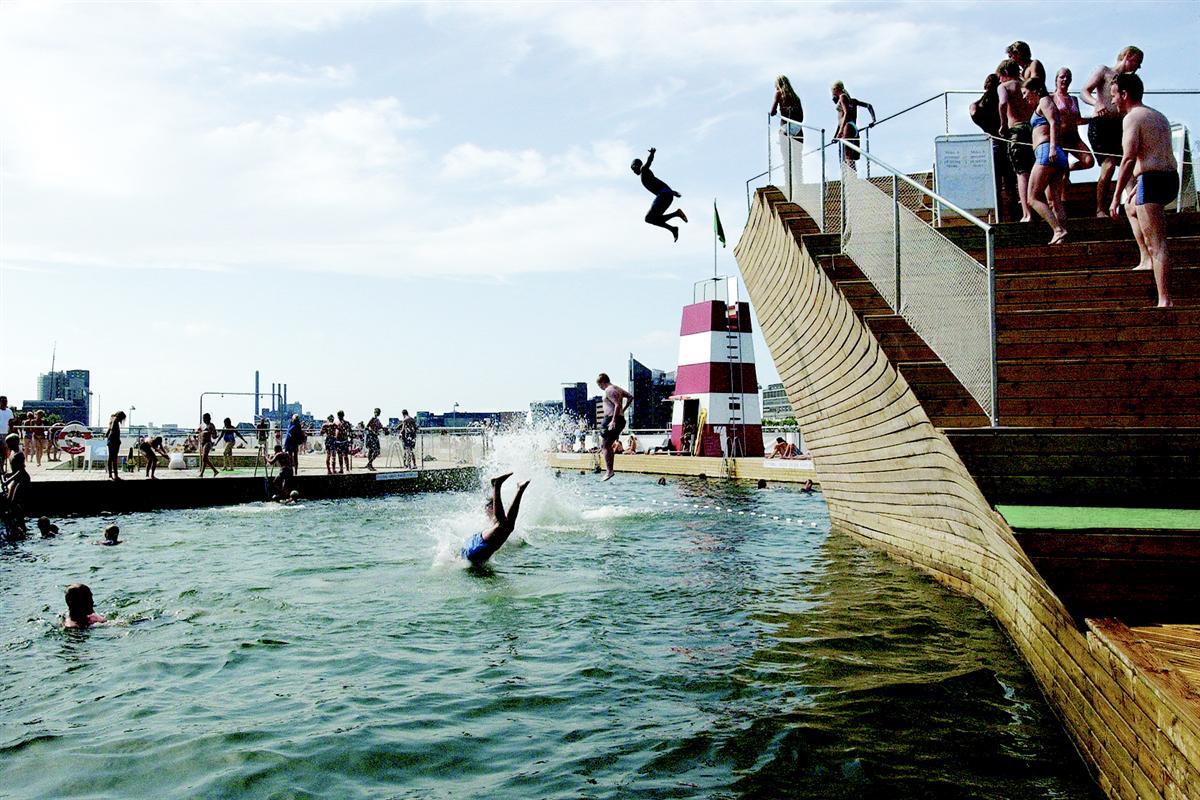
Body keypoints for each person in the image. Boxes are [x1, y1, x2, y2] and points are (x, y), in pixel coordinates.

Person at [1109, 73, 1179, 308]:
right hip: (1168, 178)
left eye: (1114, 95)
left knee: (1158, 244)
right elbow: (1157, 153)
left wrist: (1116, 196)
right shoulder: (1158, 116)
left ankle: (1165, 300)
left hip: (1153, 181)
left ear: (1124, 94)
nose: (1112, 100)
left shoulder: (1132, 117)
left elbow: (1129, 158)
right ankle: (1145, 259)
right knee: (1131, 207)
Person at [1083, 46, 1144, 217]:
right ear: (1128, 56)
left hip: (1120, 125)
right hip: (1101, 125)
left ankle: (1134, 207)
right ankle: (1100, 208)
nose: (1138, 66)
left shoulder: (1128, 81)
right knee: (1109, 165)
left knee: (1129, 167)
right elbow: (1084, 91)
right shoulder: (1104, 71)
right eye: (1137, 61)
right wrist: (1096, 103)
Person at [1025, 77, 1070, 245]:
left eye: (1026, 92)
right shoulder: (1043, 102)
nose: (1024, 96)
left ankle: (1058, 230)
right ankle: (1062, 237)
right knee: (1054, 200)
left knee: (1032, 198)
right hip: (1054, 154)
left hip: (1047, 152)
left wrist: (1052, 148)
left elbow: (1054, 122)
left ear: (1035, 90)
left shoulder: (1044, 100)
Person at [971, 72, 1018, 221]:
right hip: (1006, 142)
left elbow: (973, 112)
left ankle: (999, 217)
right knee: (1010, 184)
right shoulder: (1002, 101)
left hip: (992, 145)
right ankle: (1014, 216)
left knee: (996, 186)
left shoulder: (978, 105)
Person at [1051, 67, 1095, 220]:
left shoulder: (1074, 99)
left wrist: (1093, 119)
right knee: (1063, 176)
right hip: (1060, 139)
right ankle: (1063, 205)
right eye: (1062, 76)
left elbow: (1078, 120)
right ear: (1056, 79)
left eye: (1068, 77)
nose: (1065, 79)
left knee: (1089, 161)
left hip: (1074, 138)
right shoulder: (1051, 98)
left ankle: (1069, 168)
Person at [997, 59, 1037, 222]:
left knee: (1022, 173)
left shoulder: (1004, 87)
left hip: (1017, 130)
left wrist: (1003, 124)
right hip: (1033, 129)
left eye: (1000, 76)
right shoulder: (1025, 84)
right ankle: (1038, 209)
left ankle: (1027, 213)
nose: (1000, 80)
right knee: (1035, 170)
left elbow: (1003, 103)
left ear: (1005, 73)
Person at [460, 472, 530, 566]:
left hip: (474, 550)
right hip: (475, 551)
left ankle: (497, 485)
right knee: (508, 527)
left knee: (502, 526)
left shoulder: (488, 523)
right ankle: (519, 489)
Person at [631, 147, 688, 242]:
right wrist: (671, 191)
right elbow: (659, 183)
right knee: (653, 219)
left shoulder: (643, 170)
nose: (633, 171)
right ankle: (674, 224)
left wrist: (652, 153)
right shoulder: (644, 174)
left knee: (649, 218)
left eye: (633, 168)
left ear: (636, 166)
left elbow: (649, 162)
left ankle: (675, 220)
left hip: (663, 195)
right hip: (666, 196)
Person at [770, 75, 805, 190]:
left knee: (786, 158)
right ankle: (799, 183)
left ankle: (788, 184)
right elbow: (801, 117)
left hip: (785, 127)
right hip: (797, 128)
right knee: (798, 158)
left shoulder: (779, 93)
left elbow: (772, 111)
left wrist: (775, 111)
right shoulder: (796, 96)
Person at [596, 373, 633, 481]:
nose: (600, 388)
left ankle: (609, 471)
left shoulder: (609, 390)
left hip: (611, 419)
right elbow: (630, 397)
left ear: (602, 382)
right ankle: (610, 470)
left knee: (604, 445)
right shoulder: (617, 388)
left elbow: (617, 405)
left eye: (599, 386)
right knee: (607, 445)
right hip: (619, 419)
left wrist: (613, 420)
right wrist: (623, 410)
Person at [832, 81, 876, 170]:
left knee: (848, 157)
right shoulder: (853, 101)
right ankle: (852, 176)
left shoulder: (842, 97)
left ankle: (851, 177)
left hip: (847, 128)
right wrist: (873, 120)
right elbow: (869, 106)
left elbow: (845, 114)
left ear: (836, 89)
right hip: (854, 129)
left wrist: (840, 131)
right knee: (851, 157)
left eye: (832, 90)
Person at [1, 451, 30, 537]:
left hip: (22, 481)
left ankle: (21, 523)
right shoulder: (17, 467)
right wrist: (9, 475)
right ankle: (17, 521)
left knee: (14, 502)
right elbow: (15, 473)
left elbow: (18, 473)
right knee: (10, 502)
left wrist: (7, 481)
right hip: (18, 480)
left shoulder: (20, 468)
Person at [197, 413, 220, 477]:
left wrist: (214, 434)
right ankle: (202, 473)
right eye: (203, 419)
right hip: (202, 443)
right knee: (204, 458)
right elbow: (199, 432)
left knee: (204, 458)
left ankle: (214, 470)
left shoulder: (211, 425)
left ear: (209, 418)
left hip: (208, 443)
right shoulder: (202, 425)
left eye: (205, 418)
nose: (204, 420)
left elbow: (214, 435)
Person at [105, 410, 126, 481]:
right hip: (114, 441)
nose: (122, 420)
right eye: (122, 418)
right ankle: (116, 476)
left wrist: (107, 435)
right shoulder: (116, 420)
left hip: (110, 441)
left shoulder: (112, 418)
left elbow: (109, 429)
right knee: (114, 458)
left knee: (110, 458)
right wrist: (116, 440)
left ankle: (110, 475)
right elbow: (113, 428)